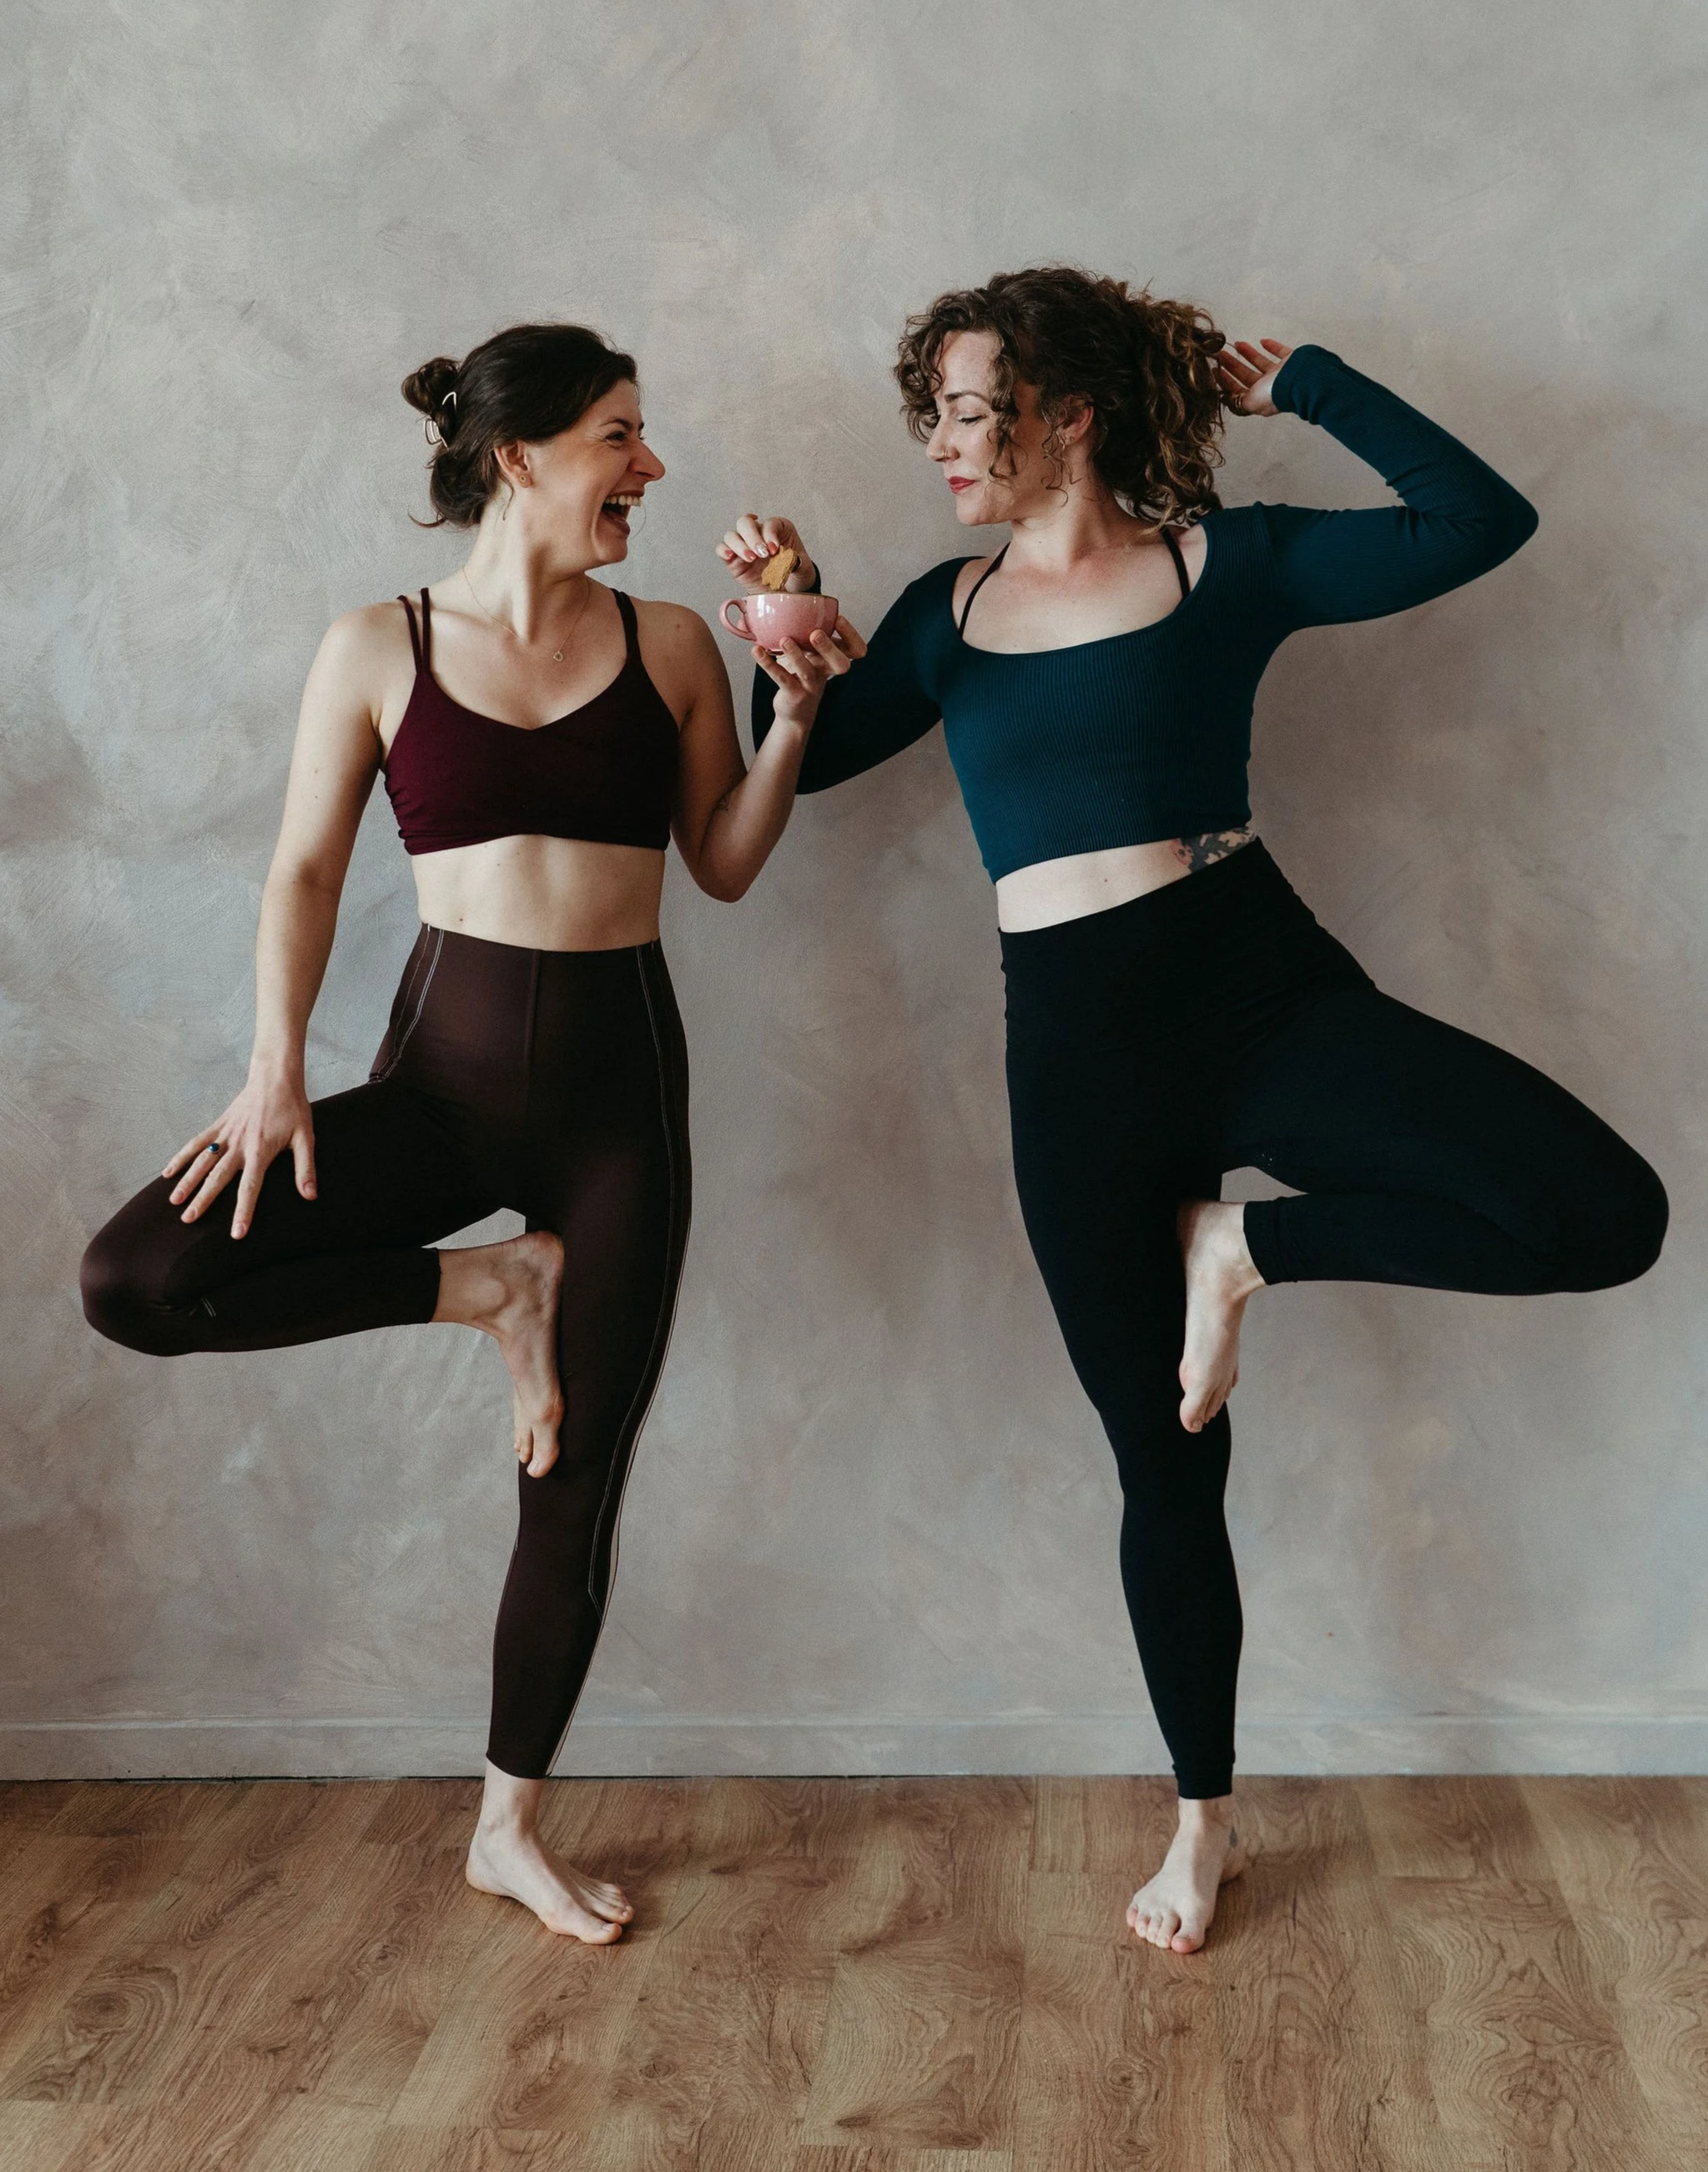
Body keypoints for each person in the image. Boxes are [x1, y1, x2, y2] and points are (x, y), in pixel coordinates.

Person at [723, 266, 1667, 1955]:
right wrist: (792, 638)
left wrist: (1307, 380)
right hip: (1076, 1057)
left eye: (962, 406)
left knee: (1606, 1211)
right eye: (929, 408)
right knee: (1165, 1462)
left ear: (1067, 413)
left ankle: (1247, 1247)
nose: (937, 438)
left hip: (1261, 993)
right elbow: (792, 775)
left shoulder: (1226, 564)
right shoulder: (943, 614)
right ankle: (1204, 1818)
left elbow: (1481, 517)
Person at [81, 320, 862, 1942]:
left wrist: (793, 711)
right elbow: (301, 868)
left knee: (572, 1472)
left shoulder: (668, 645)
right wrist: (275, 1065)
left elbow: (719, 859)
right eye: (620, 437)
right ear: (520, 456)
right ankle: (487, 1289)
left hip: (617, 1113)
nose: (649, 465)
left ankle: (508, 1824)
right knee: (136, 1277)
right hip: (433, 1096)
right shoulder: (379, 643)